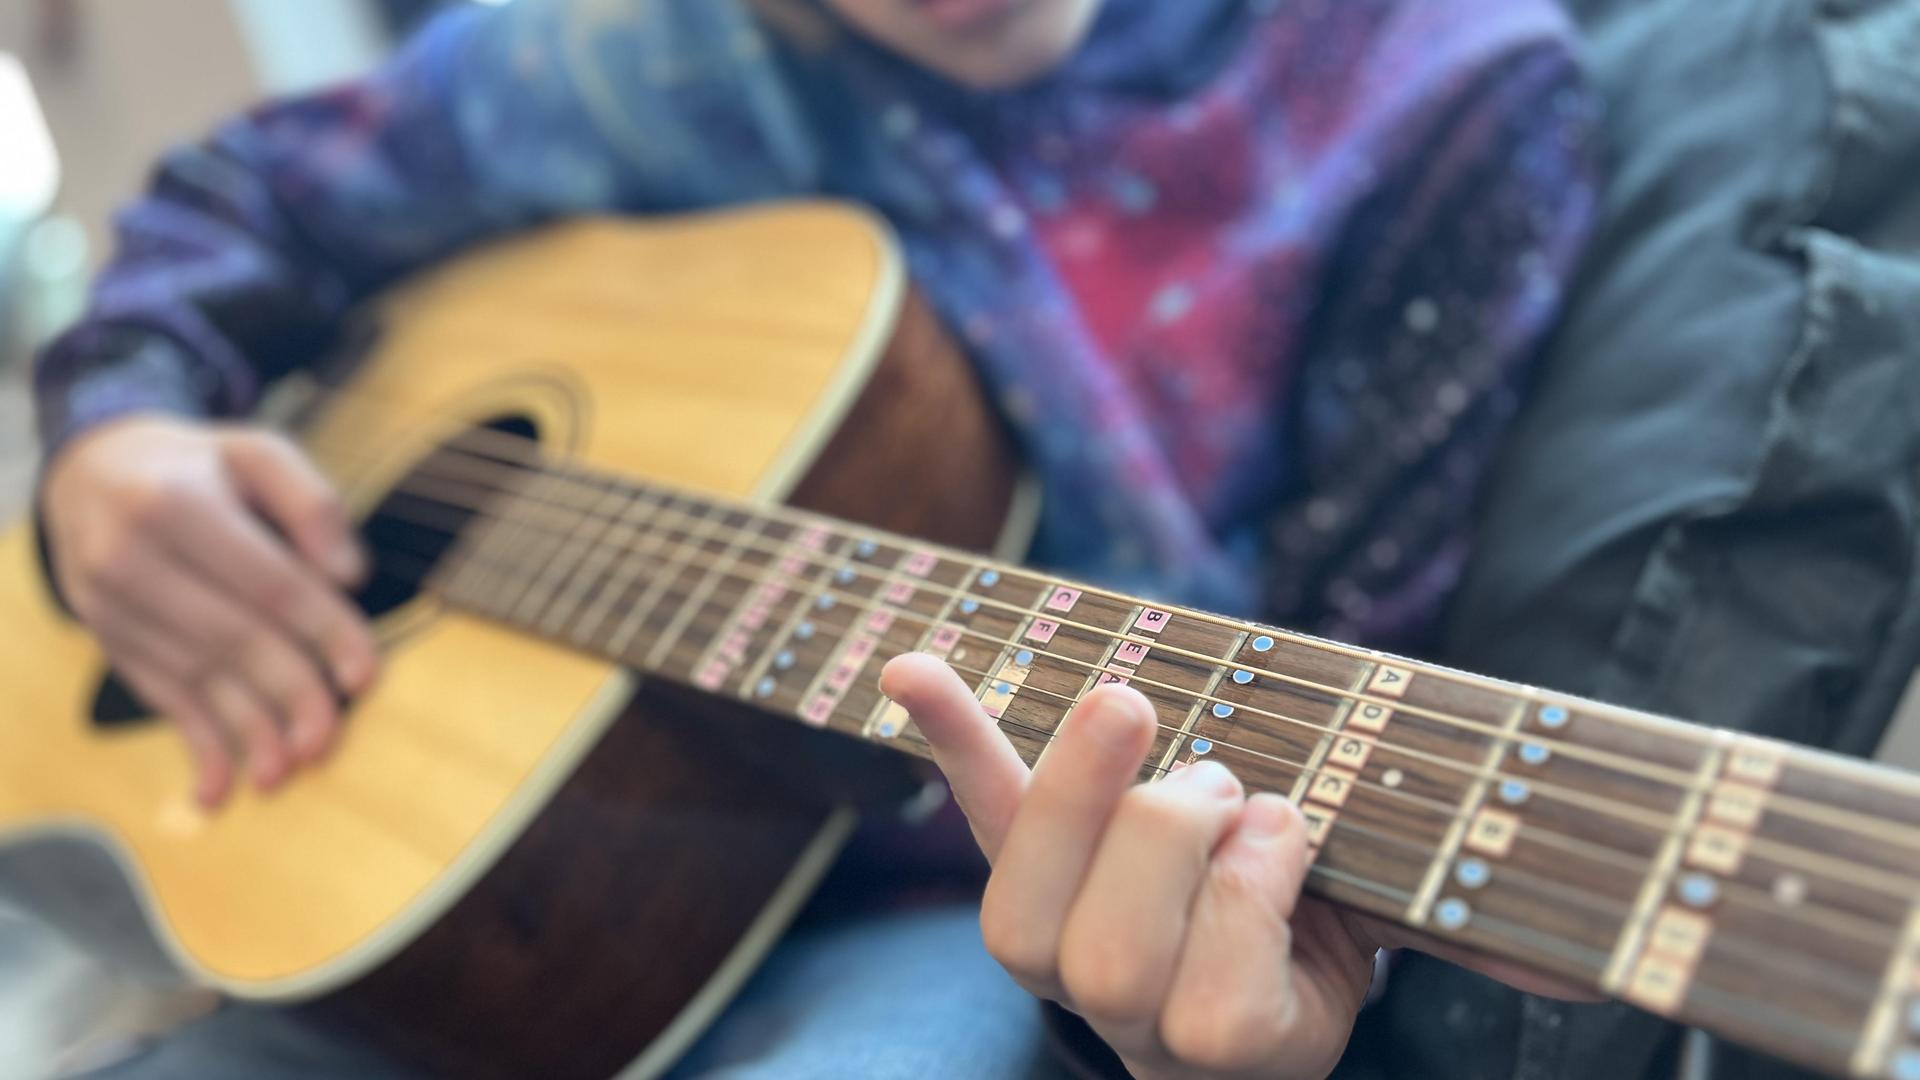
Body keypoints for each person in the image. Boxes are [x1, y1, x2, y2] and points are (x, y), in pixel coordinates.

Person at [31, 0, 1598, 1075]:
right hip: (435, 878)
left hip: (947, 929)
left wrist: (1217, 976)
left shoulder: (1438, 89)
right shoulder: (627, 55)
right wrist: (114, 429)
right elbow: (248, 196)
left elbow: (1335, 729)